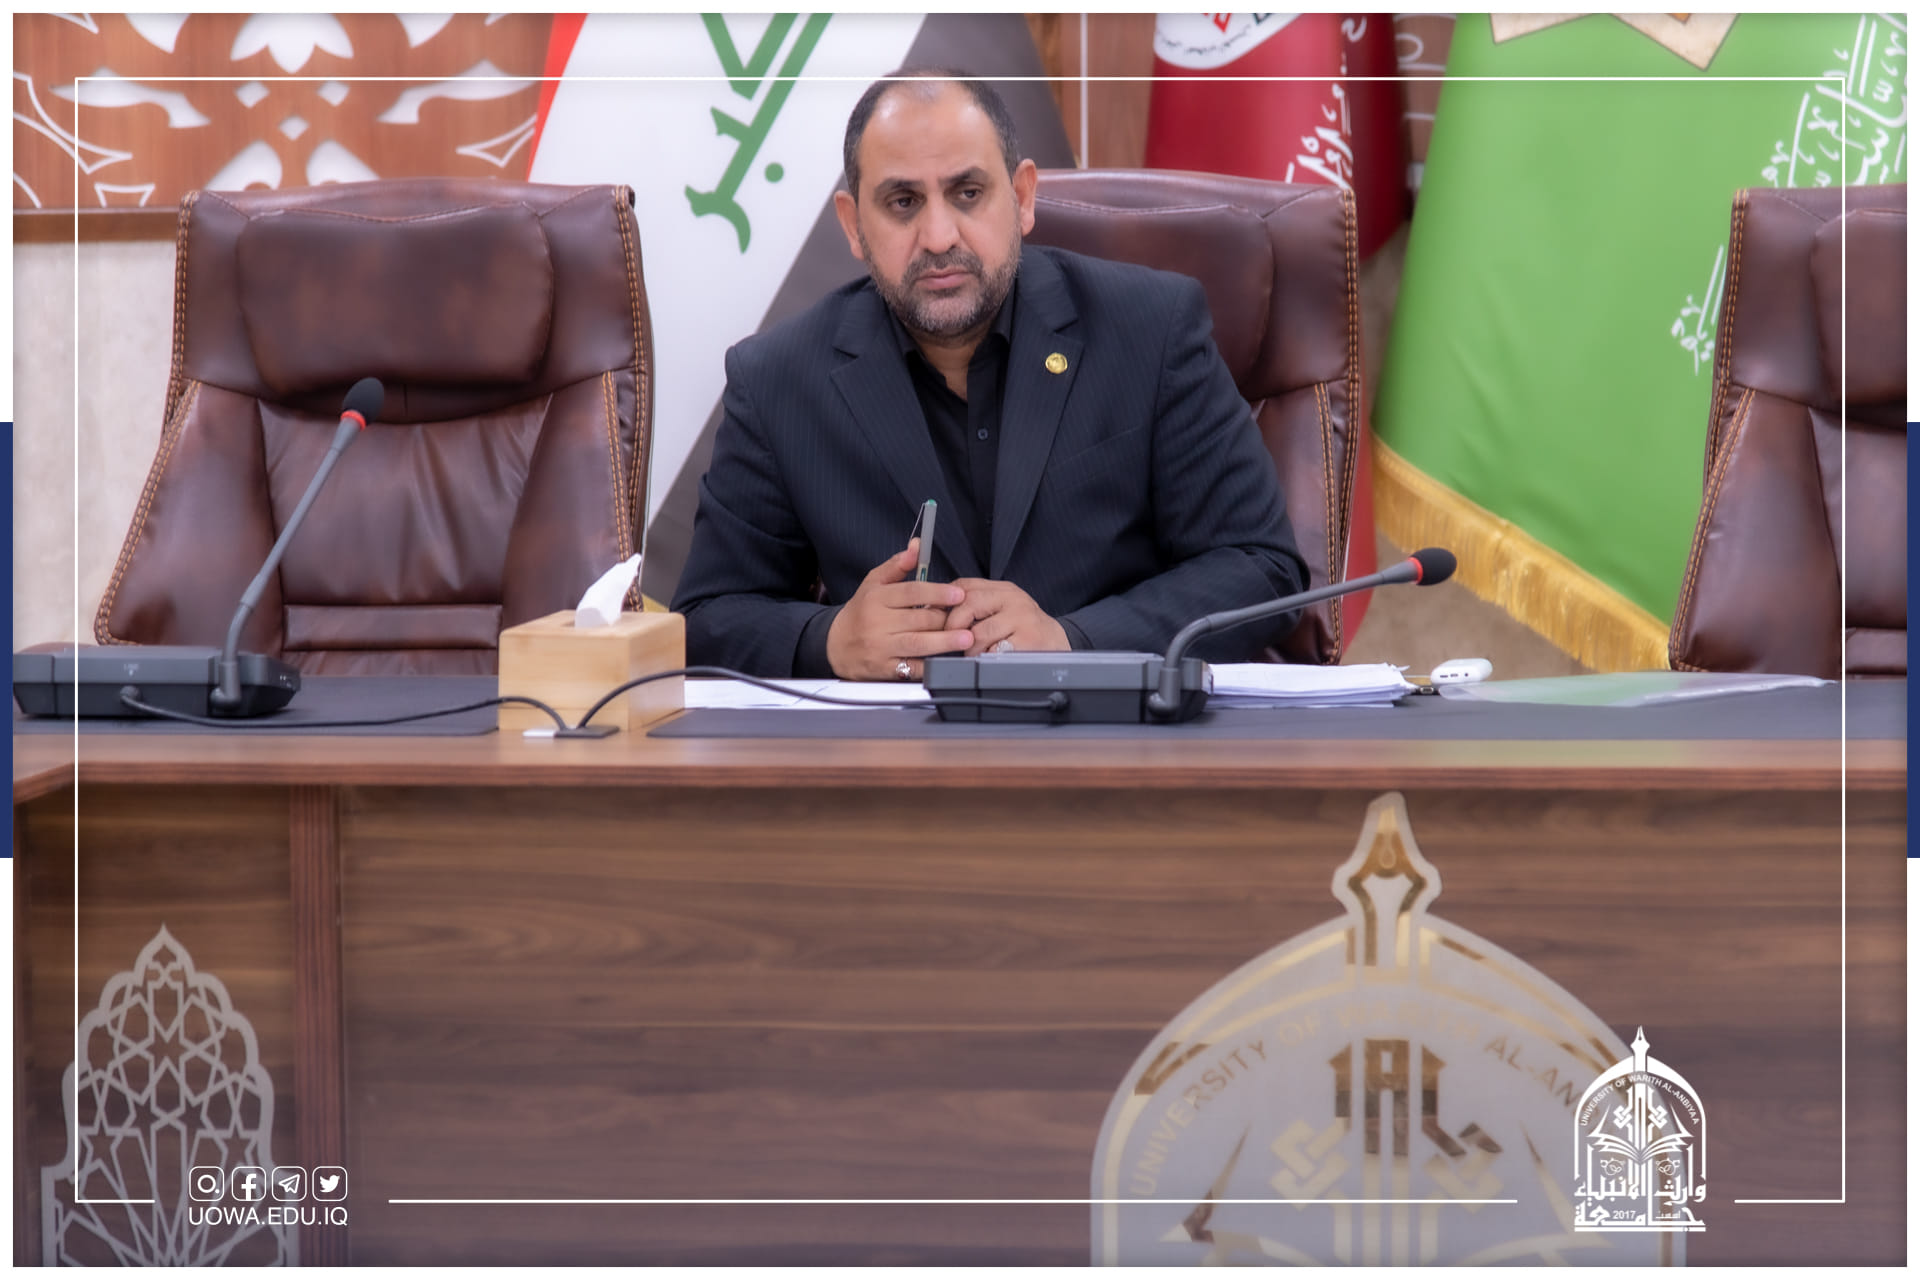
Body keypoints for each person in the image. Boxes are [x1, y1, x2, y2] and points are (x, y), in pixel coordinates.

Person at [671, 70, 1309, 680]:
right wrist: (830, 639)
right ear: (853, 225)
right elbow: (706, 619)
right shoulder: (778, 380)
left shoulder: (1150, 328)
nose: (938, 235)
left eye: (968, 193)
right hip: (893, 748)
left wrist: (1072, 641)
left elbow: (1262, 568)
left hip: (1111, 739)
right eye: (902, 202)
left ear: (1023, 198)